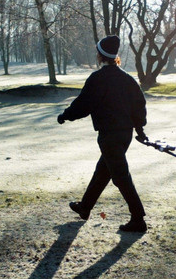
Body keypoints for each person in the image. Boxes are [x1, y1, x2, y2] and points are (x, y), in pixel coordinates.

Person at [57, 35, 148, 232]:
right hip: (125, 136)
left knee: (121, 176)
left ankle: (138, 219)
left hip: (109, 136)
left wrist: (65, 115)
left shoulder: (98, 79)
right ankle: (85, 207)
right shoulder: (127, 78)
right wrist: (140, 128)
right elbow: (139, 104)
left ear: (100, 55)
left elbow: (83, 104)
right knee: (103, 171)